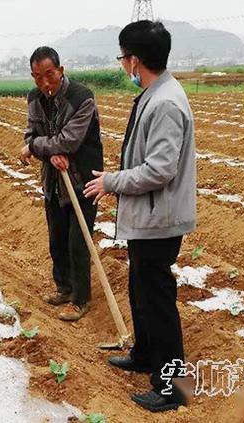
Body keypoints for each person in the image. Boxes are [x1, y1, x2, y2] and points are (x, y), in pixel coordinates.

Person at [83, 21, 196, 413]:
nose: (122, 66)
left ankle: (173, 387)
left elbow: (161, 168)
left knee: (158, 300)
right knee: (141, 290)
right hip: (148, 217)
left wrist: (112, 181)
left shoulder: (164, 102)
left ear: (134, 60)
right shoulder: (156, 92)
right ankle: (146, 354)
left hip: (159, 219)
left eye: (122, 58)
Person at [20, 46, 103, 322]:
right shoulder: (35, 98)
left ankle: (81, 300)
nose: (44, 83)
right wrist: (45, 149)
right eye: (37, 77)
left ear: (61, 71)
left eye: (49, 75)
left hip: (82, 180)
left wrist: (35, 147)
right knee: (57, 240)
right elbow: (31, 131)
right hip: (53, 182)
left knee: (78, 243)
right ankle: (64, 289)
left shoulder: (82, 98)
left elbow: (69, 140)